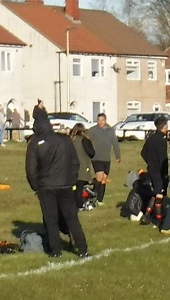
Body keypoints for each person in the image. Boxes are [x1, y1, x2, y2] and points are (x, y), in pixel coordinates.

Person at [24, 109, 88, 258]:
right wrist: (71, 180)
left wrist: (36, 186)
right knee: (72, 218)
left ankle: (56, 250)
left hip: (46, 186)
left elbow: (31, 169)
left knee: (50, 219)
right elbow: (75, 163)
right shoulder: (65, 139)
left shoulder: (34, 143)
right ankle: (83, 248)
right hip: (65, 185)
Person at [141, 116, 170, 226]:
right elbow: (163, 159)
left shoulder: (151, 138)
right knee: (159, 194)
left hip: (151, 169)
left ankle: (147, 214)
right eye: (166, 125)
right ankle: (159, 219)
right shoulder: (162, 140)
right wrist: (165, 173)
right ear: (163, 126)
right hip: (159, 171)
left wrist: (149, 162)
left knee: (156, 193)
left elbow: (143, 153)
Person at [86, 112, 121, 204]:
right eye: (99, 120)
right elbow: (85, 140)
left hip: (106, 158)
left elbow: (115, 143)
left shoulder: (110, 130)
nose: (100, 122)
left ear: (105, 120)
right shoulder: (92, 130)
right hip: (96, 157)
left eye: (102, 120)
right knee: (99, 177)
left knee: (104, 179)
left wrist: (118, 156)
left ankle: (100, 200)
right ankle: (92, 197)